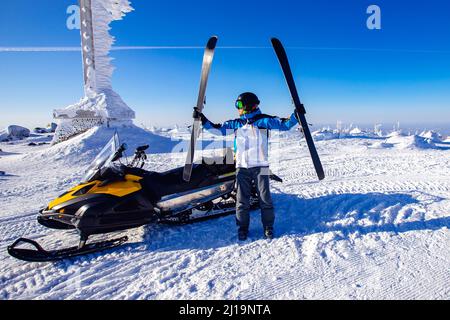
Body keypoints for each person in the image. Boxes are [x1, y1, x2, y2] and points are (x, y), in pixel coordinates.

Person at [193, 92, 299, 241]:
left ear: (249, 105)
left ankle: (268, 226)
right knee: (242, 200)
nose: (238, 108)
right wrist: (202, 119)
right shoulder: (236, 124)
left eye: (240, 105)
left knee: (265, 199)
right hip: (242, 167)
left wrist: (296, 115)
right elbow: (217, 130)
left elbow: (284, 125)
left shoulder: (263, 121)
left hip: (261, 166)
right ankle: (242, 228)